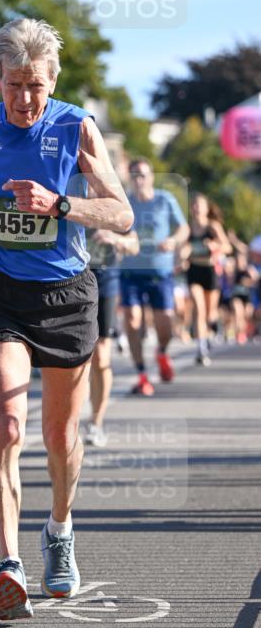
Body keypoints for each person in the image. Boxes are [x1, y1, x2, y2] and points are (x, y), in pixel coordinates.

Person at [0, 18, 133, 621]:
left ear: (54, 80)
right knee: (7, 427)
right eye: (13, 84)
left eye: (36, 86)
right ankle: (8, 564)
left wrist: (61, 204)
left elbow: (121, 215)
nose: (24, 99)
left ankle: (61, 528)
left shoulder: (77, 126)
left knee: (58, 436)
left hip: (68, 295)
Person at [119, 158, 189, 396]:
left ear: (151, 177)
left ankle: (161, 352)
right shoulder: (124, 203)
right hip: (130, 273)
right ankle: (142, 375)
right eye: (134, 175)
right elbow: (112, 229)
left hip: (160, 273)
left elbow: (183, 229)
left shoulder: (164, 200)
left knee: (165, 326)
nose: (138, 179)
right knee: (132, 320)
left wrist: (174, 240)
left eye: (142, 174)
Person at [84, 227, 139, 448]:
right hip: (69, 281)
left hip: (105, 282)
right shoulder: (67, 195)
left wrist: (114, 238)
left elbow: (135, 245)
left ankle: (96, 422)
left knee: (100, 356)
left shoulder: (113, 203)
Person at [183, 193, 230, 365]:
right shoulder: (187, 228)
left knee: (210, 314)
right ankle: (201, 348)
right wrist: (182, 254)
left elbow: (227, 247)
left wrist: (215, 245)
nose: (196, 208)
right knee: (198, 308)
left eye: (199, 205)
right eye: (193, 205)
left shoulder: (213, 227)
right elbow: (181, 249)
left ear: (206, 208)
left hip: (209, 271)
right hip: (194, 269)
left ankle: (211, 329)